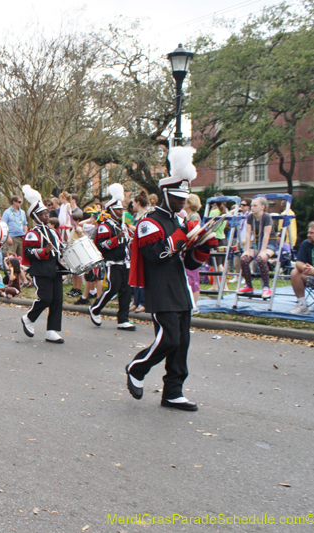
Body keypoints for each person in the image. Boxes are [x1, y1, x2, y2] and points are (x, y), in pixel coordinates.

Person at [126, 147, 216, 412]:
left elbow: (188, 262)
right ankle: (137, 368)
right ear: (165, 194)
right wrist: (182, 237)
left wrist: (203, 246)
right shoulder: (148, 223)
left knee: (182, 344)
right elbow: (155, 255)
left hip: (180, 288)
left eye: (183, 198)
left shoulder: (180, 222)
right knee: (169, 340)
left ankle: (173, 392)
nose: (181, 203)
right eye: (177, 198)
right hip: (160, 289)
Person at [20, 185, 65, 343]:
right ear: (35, 217)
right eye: (43, 213)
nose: (47, 215)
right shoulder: (32, 234)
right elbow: (28, 252)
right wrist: (43, 251)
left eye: (47, 212)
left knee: (57, 299)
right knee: (45, 298)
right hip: (41, 270)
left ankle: (51, 330)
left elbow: (60, 249)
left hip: (55, 269)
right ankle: (28, 318)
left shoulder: (53, 232)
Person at [89, 184, 135, 331]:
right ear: (111, 211)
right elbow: (102, 245)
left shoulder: (121, 225)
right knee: (112, 288)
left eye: (122, 209)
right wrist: (117, 238)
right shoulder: (105, 226)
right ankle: (95, 308)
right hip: (112, 262)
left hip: (125, 262)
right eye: (118, 210)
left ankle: (123, 319)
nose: (121, 212)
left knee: (126, 290)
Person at [238, 197, 277, 298]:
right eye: (251, 206)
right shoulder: (250, 217)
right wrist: (246, 250)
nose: (252, 208)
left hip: (269, 243)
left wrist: (263, 251)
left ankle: (266, 287)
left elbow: (267, 235)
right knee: (244, 259)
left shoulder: (267, 217)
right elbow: (248, 233)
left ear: (262, 207)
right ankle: (248, 285)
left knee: (261, 259)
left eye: (255, 206)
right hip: (256, 242)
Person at [128, 191, 150, 313]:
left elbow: (145, 230)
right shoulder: (135, 216)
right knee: (135, 273)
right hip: (133, 246)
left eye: (133, 203)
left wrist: (133, 228)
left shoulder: (146, 215)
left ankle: (143, 301)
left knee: (142, 273)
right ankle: (135, 300)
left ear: (138, 203)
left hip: (142, 247)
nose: (132, 206)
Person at [184, 194, 203, 307]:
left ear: (190, 203)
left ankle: (194, 304)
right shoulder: (189, 215)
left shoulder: (193, 216)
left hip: (192, 249)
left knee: (193, 277)